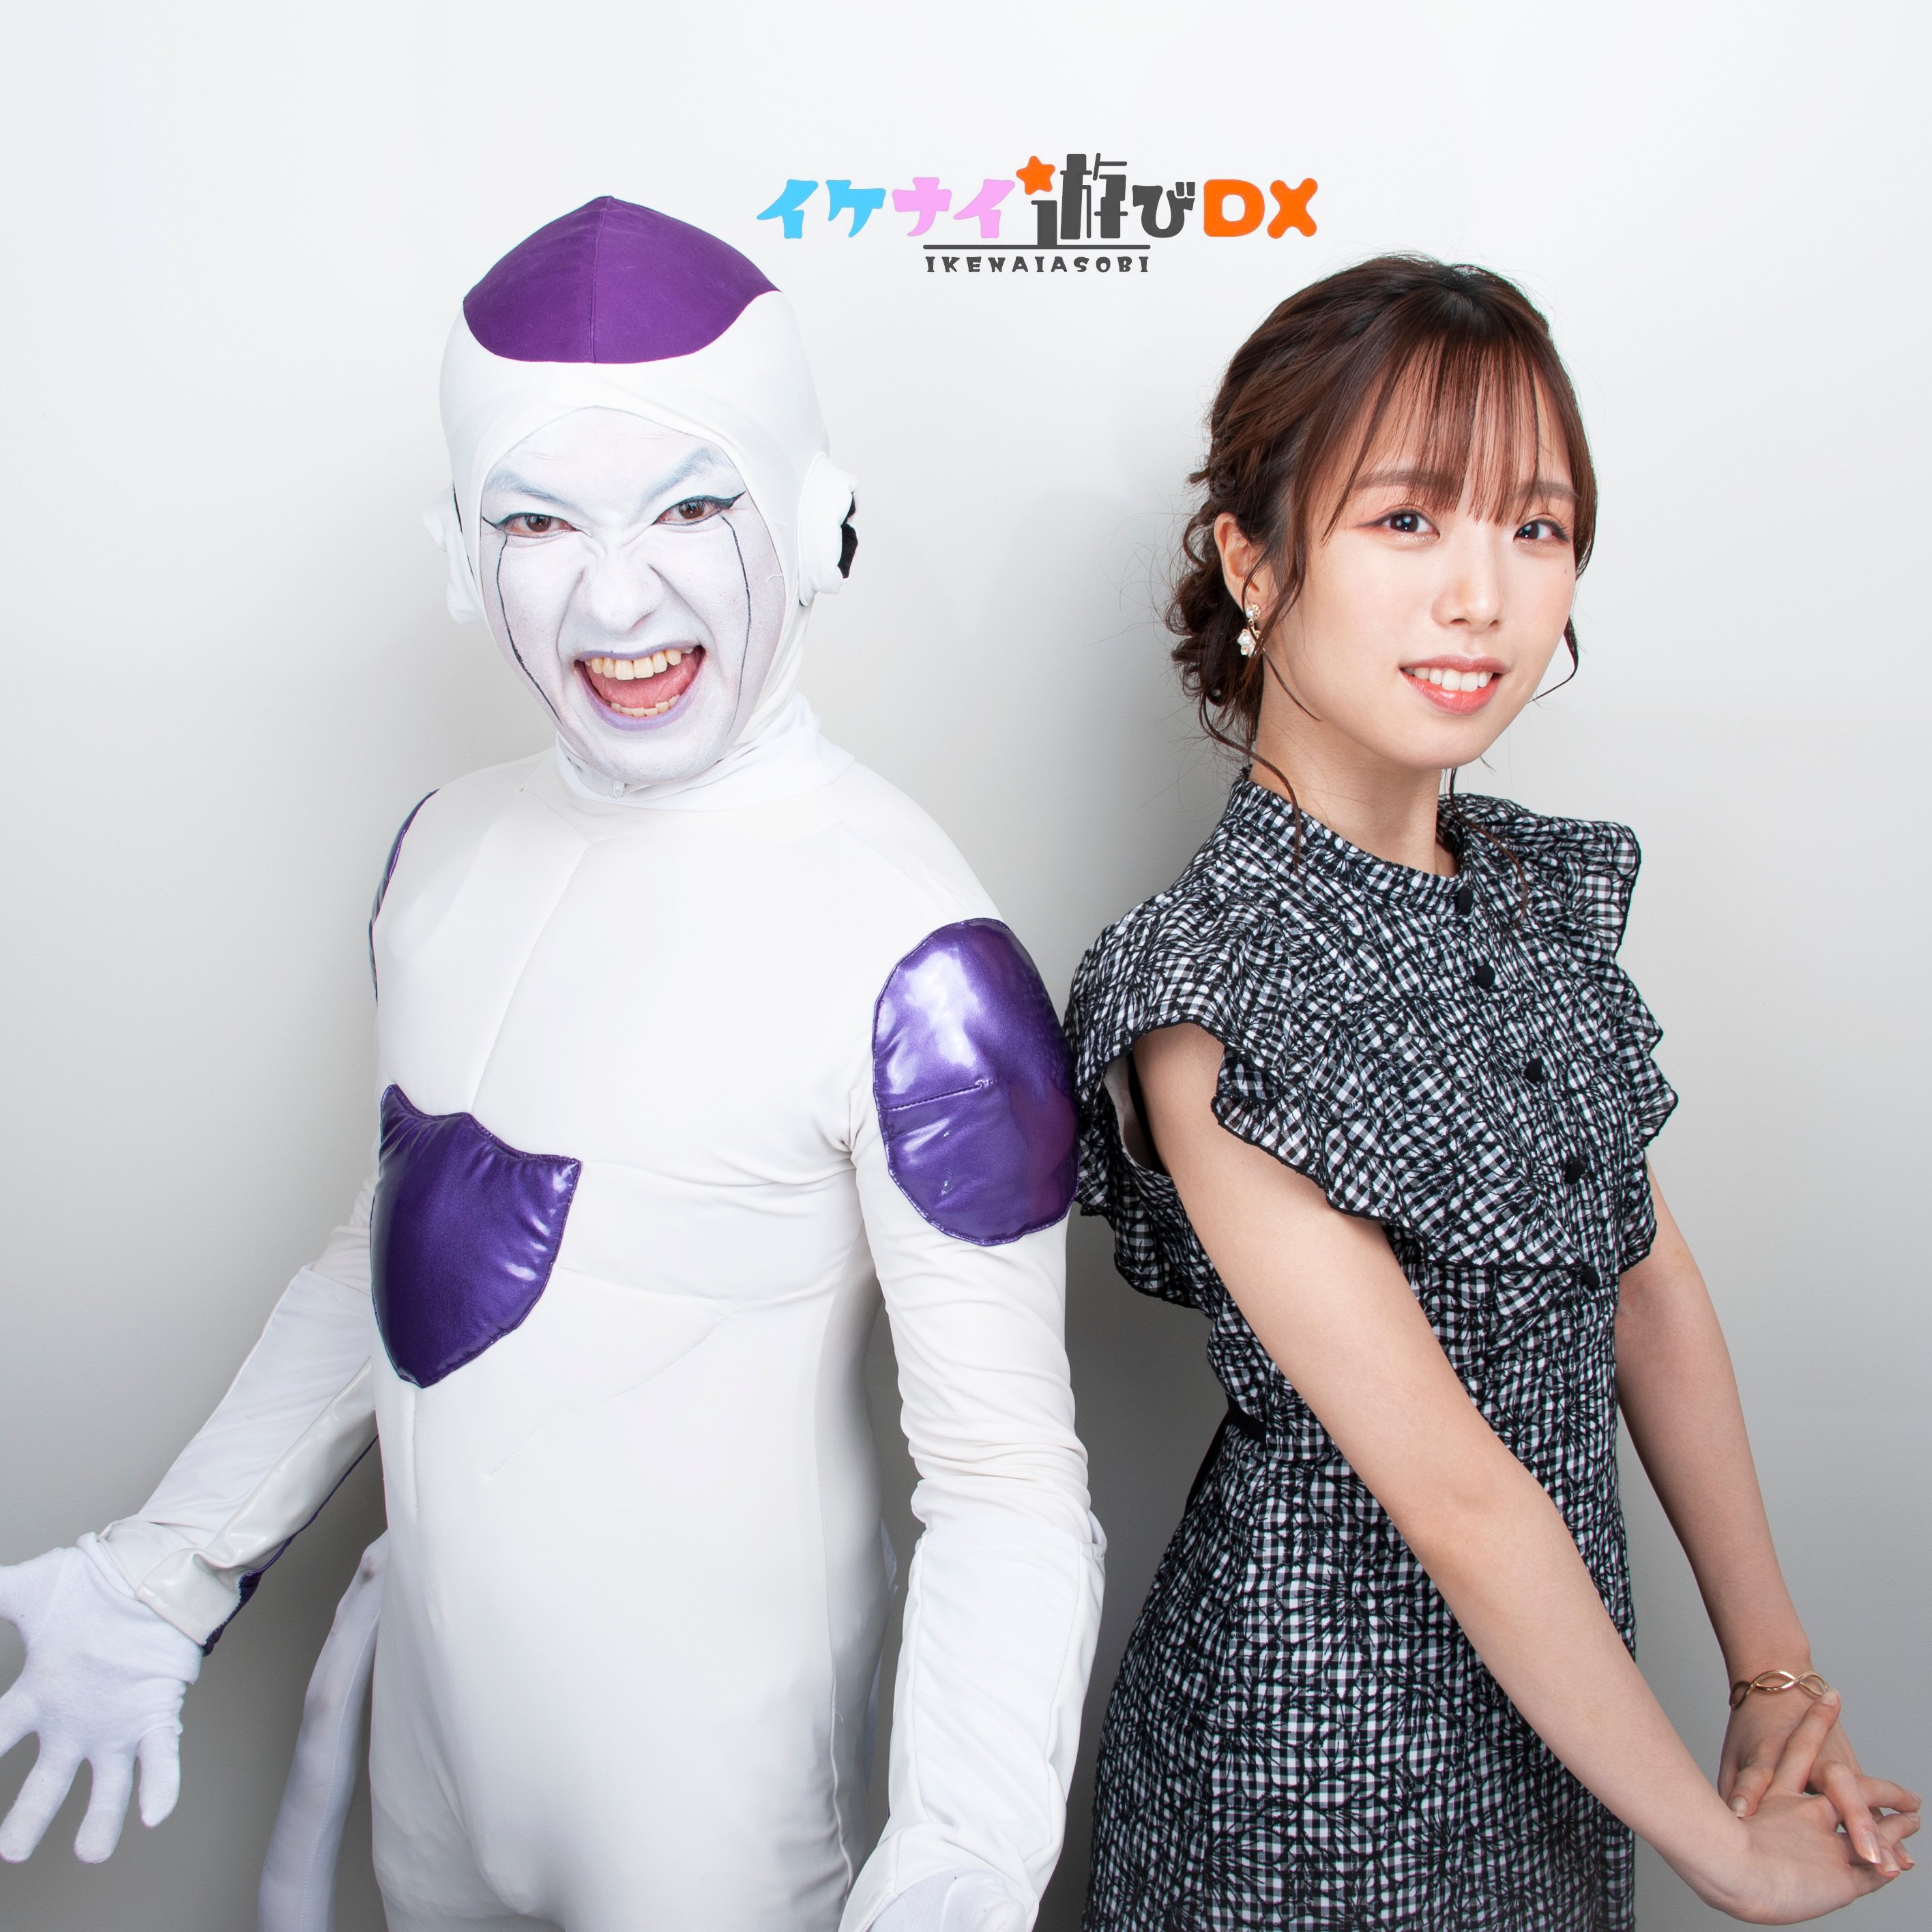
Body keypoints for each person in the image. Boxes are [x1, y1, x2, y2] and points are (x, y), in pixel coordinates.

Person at [0, 198, 1104, 1932]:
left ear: (814, 517)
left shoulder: (918, 962)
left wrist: (961, 1863)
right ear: (464, 551)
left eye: (690, 506)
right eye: (538, 520)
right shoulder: (438, 853)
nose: (615, 595)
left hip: (717, 1822)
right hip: (438, 1762)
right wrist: (168, 1569)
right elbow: (384, 1259)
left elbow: (1005, 1484)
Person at [1064, 257, 1918, 1929]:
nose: (1483, 595)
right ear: (1254, 560)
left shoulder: (1524, 894)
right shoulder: (1207, 980)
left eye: (1537, 527)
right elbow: (1454, 1493)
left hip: (1561, 1731)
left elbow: (1647, 1288)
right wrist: (1722, 1848)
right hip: (1313, 1762)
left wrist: (1773, 1671)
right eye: (1408, 520)